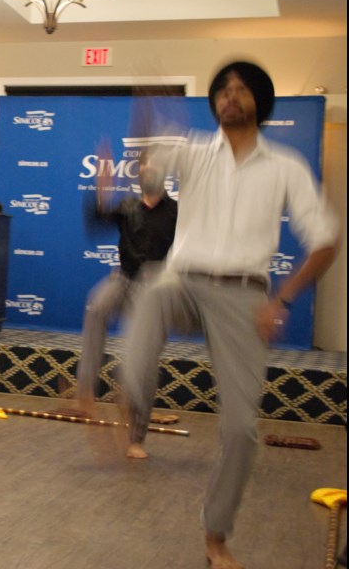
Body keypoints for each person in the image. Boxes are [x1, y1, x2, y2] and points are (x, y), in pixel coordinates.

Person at [121, 61, 338, 569]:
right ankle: (131, 389)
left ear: (259, 102)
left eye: (241, 90)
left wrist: (282, 301)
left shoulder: (285, 165)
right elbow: (145, 169)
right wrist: (144, 107)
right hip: (185, 280)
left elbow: (326, 240)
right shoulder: (193, 152)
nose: (230, 97)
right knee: (153, 289)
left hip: (245, 297)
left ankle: (215, 536)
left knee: (241, 430)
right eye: (223, 90)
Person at [75, 146, 177, 416]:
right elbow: (97, 221)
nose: (147, 169)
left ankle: (134, 402)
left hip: (155, 289)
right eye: (143, 165)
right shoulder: (128, 205)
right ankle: (85, 389)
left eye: (153, 165)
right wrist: (101, 191)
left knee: (142, 346)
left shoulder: (177, 212)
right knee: (96, 308)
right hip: (123, 279)